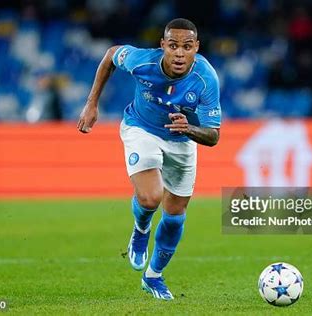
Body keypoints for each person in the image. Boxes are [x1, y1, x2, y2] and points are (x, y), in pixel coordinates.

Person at [77, 18, 221, 300]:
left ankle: (153, 276)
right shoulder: (142, 61)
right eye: (174, 46)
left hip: (182, 140)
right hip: (141, 128)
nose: (180, 53)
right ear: (163, 45)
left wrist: (189, 129)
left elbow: (214, 136)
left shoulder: (206, 79)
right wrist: (92, 103)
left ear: (196, 48)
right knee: (150, 198)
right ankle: (141, 229)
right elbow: (110, 55)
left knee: (175, 215)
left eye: (187, 47)